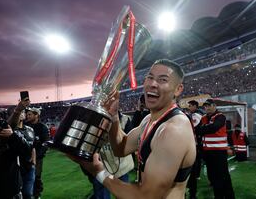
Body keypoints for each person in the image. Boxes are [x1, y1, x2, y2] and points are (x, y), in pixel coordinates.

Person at [71, 59, 196, 199]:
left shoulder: (173, 130)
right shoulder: (148, 120)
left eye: (162, 80)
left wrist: (98, 171)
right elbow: (121, 148)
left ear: (178, 89)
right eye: (150, 77)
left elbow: (147, 196)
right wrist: (114, 116)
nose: (152, 84)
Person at [195, 99, 235, 199]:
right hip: (207, 153)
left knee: (223, 176)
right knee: (214, 177)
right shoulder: (204, 117)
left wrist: (203, 129)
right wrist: (205, 129)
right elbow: (197, 130)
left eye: (209, 106)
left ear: (214, 106)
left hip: (219, 152)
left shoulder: (220, 116)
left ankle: (229, 196)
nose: (207, 108)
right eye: (205, 106)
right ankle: (219, 196)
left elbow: (214, 127)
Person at [89, 111, 134, 199]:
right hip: (103, 166)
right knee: (103, 195)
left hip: (122, 167)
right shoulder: (93, 120)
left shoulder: (125, 119)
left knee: (123, 195)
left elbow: (129, 143)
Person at [8, 99, 37, 199]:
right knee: (17, 195)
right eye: (20, 112)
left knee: (28, 194)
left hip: (29, 168)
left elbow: (33, 147)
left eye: (23, 112)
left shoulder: (30, 129)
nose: (22, 113)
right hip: (15, 169)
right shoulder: (9, 131)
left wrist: (34, 163)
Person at [25, 107, 50, 199]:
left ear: (36, 115)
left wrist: (38, 156)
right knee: (25, 176)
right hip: (25, 156)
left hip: (38, 157)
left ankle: (37, 195)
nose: (27, 116)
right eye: (27, 114)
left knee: (36, 176)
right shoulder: (25, 125)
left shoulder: (43, 127)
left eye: (30, 114)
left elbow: (45, 143)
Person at [186, 100, 203, 199]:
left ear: (195, 106)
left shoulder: (197, 115)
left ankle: (195, 177)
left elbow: (195, 126)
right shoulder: (193, 114)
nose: (189, 108)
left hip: (196, 143)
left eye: (191, 106)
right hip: (194, 143)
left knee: (195, 162)